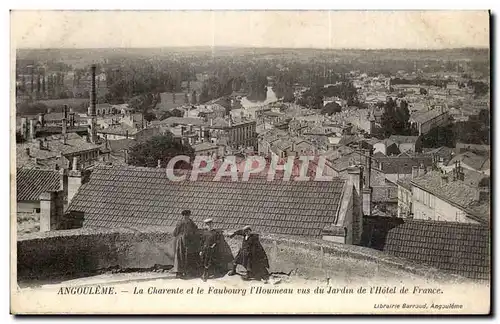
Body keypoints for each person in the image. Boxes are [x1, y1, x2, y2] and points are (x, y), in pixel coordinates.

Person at [172, 210, 200, 279]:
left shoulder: (191, 223)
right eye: (185, 215)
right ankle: (179, 272)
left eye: (187, 215)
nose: (186, 217)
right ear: (183, 216)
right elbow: (175, 233)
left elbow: (196, 230)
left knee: (187, 256)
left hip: (188, 242)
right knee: (180, 255)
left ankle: (186, 272)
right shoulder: (180, 223)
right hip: (181, 242)